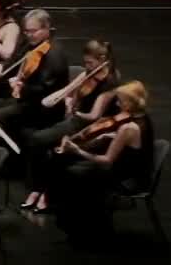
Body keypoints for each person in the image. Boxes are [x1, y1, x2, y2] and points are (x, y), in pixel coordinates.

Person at [46, 80, 155, 244]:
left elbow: (106, 161)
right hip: (138, 169)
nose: (117, 104)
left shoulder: (128, 128)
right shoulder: (144, 118)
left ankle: (85, 231)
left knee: (73, 174)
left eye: (120, 101)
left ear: (131, 103)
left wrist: (78, 150)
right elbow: (135, 143)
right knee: (76, 170)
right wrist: (109, 136)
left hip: (127, 178)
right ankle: (85, 227)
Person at [17, 39, 118, 211]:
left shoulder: (110, 83)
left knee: (47, 145)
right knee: (35, 139)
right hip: (75, 120)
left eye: (90, 63)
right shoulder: (88, 73)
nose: (87, 66)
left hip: (90, 126)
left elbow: (94, 115)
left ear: (102, 59)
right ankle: (37, 187)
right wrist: (68, 99)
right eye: (85, 62)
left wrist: (75, 112)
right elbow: (71, 91)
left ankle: (47, 193)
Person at [0, 9, 70, 138]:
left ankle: (11, 152)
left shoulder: (54, 54)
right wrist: (3, 67)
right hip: (28, 98)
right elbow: (16, 59)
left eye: (33, 31)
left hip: (44, 108)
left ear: (46, 28)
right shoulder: (32, 44)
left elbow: (44, 89)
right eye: (26, 31)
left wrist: (21, 86)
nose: (29, 35)